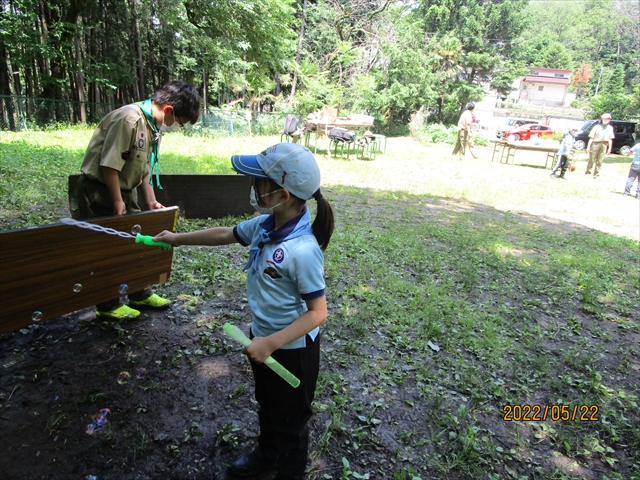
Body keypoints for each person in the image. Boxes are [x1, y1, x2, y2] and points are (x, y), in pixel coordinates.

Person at [153, 143, 334, 479]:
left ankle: (288, 473)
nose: (252, 186)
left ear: (282, 195)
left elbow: (317, 313)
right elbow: (226, 233)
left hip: (292, 351)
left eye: (258, 182)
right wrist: (177, 239)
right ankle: (267, 456)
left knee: (292, 422)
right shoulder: (266, 224)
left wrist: (271, 344)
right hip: (264, 339)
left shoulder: (302, 250)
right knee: (267, 406)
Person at [76, 80, 201, 319]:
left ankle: (138, 292)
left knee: (135, 240)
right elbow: (109, 164)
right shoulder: (129, 119)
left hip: (124, 190)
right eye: (180, 122)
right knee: (106, 247)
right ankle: (107, 304)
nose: (178, 127)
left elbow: (144, 168)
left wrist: (151, 201)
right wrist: (117, 200)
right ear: (168, 110)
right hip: (101, 189)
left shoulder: (151, 126)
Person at [585, 113, 615, 178]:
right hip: (596, 143)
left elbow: (610, 139)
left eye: (608, 119)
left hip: (604, 144)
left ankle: (596, 174)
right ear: (602, 119)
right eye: (605, 119)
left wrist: (609, 148)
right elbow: (591, 138)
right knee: (592, 159)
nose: (606, 120)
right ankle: (588, 172)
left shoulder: (610, 128)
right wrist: (588, 147)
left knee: (600, 160)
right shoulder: (597, 127)